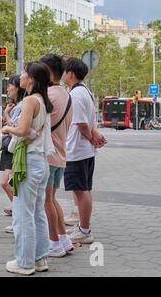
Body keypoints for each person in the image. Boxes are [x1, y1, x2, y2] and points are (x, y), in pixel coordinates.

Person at [2, 62, 55, 276]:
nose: (21, 76)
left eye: (24, 73)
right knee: (37, 212)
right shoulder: (43, 101)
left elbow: (23, 130)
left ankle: (24, 263)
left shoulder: (30, 100)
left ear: (31, 79)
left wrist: (7, 127)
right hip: (41, 161)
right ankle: (40, 258)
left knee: (23, 213)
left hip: (29, 161)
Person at [62, 57, 107, 245]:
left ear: (71, 73)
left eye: (65, 71)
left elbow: (81, 123)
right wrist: (93, 136)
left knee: (81, 190)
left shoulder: (77, 95)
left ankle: (85, 230)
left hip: (77, 150)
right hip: (83, 150)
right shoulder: (85, 91)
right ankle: (82, 225)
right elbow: (91, 121)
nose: (62, 73)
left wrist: (91, 138)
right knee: (82, 189)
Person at [40, 54, 75, 257]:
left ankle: (54, 243)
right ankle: (63, 239)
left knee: (47, 201)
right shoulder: (65, 94)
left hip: (48, 155)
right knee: (52, 200)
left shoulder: (49, 95)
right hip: (61, 155)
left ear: (48, 71)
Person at [0, 76, 26, 222]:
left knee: (6, 183)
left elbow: (14, 128)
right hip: (10, 148)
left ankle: (18, 211)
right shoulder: (17, 105)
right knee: (10, 183)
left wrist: (6, 115)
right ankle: (16, 209)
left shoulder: (21, 106)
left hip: (13, 149)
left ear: (17, 88)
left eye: (10, 86)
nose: (8, 89)